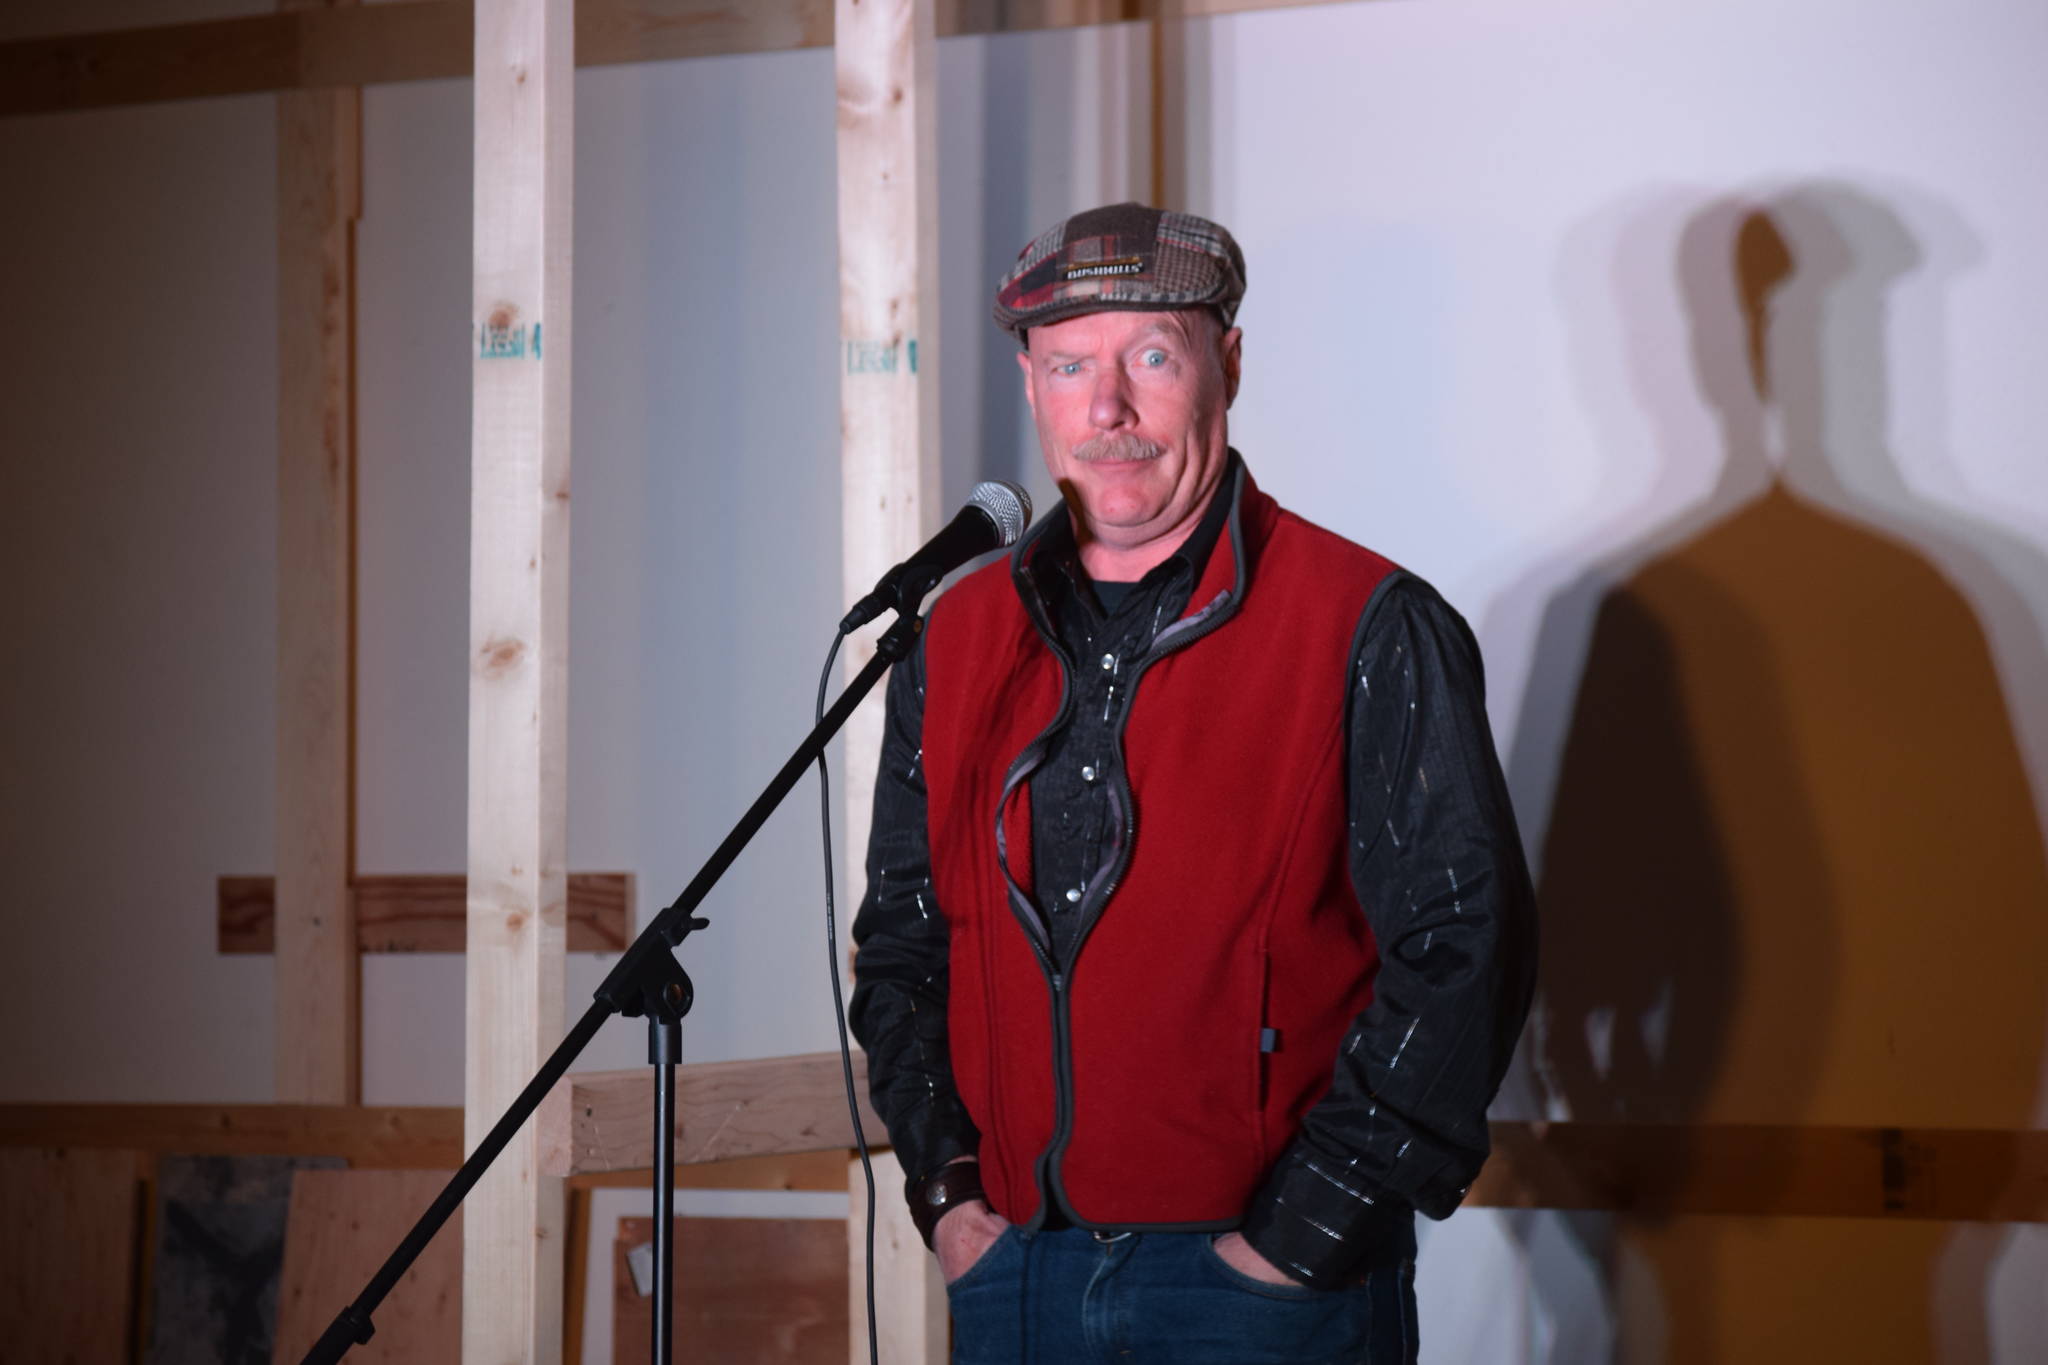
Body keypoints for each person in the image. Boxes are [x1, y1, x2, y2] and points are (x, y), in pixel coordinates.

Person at [849, 202, 1537, 1364]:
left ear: (1227, 363)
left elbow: (1464, 946)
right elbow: (905, 941)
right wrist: (947, 1200)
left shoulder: (1368, 623)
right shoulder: (950, 634)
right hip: (1015, 1271)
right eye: (1070, 365)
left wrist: (1302, 1236)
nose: (1106, 409)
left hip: (1263, 1292)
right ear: (1030, 385)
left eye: (1150, 358)